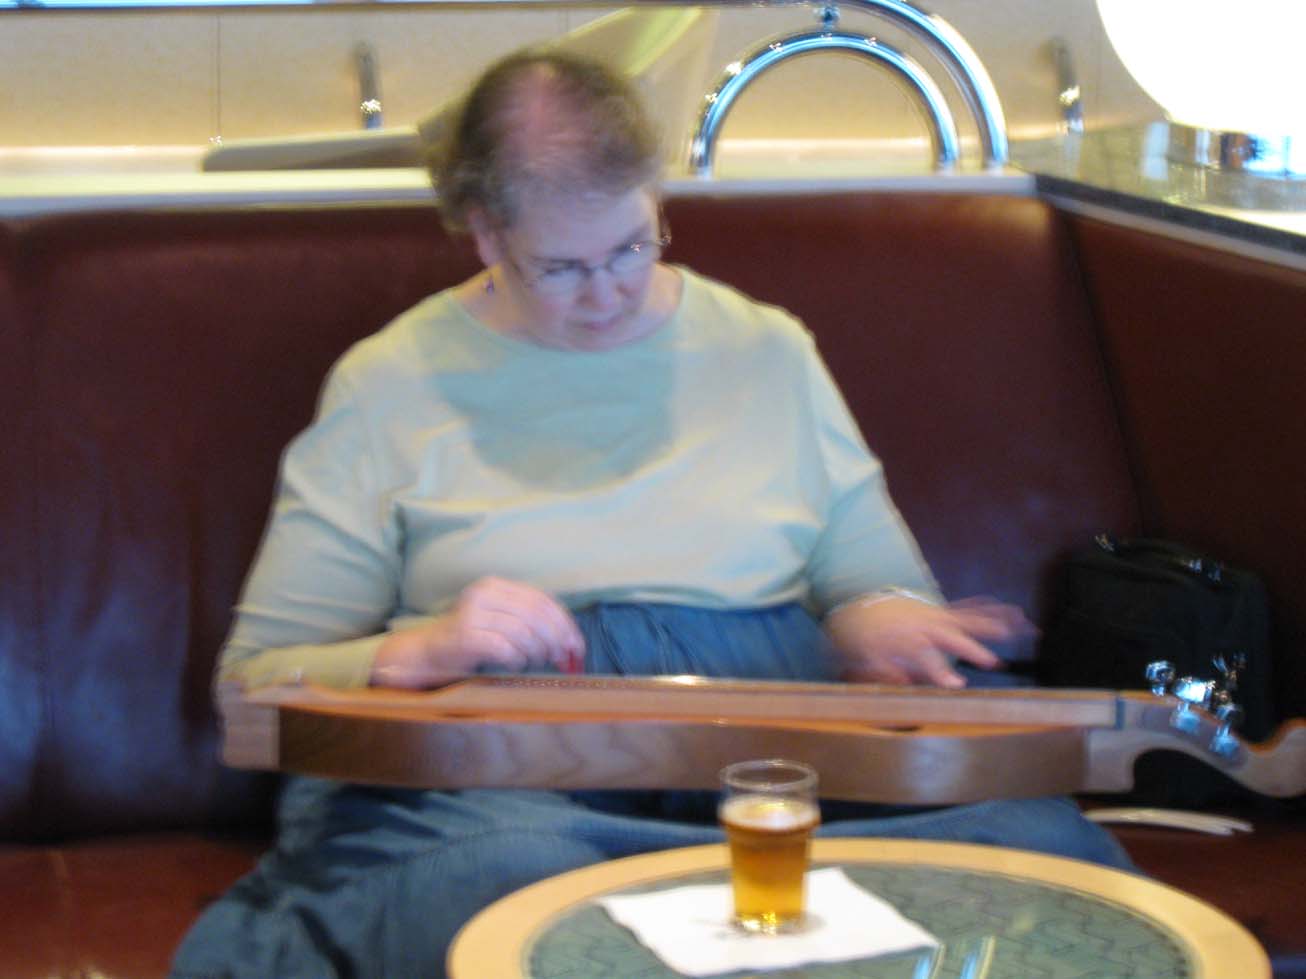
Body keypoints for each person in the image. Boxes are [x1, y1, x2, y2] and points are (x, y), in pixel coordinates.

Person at [171, 49, 1131, 979]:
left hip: (773, 765)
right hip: (506, 785)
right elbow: (253, 683)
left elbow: (871, 583)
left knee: (1038, 853)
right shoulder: (389, 382)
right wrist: (418, 652)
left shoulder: (766, 349)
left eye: (633, 245)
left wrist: (876, 619)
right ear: (487, 234)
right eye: (562, 267)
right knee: (505, 892)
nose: (609, 294)